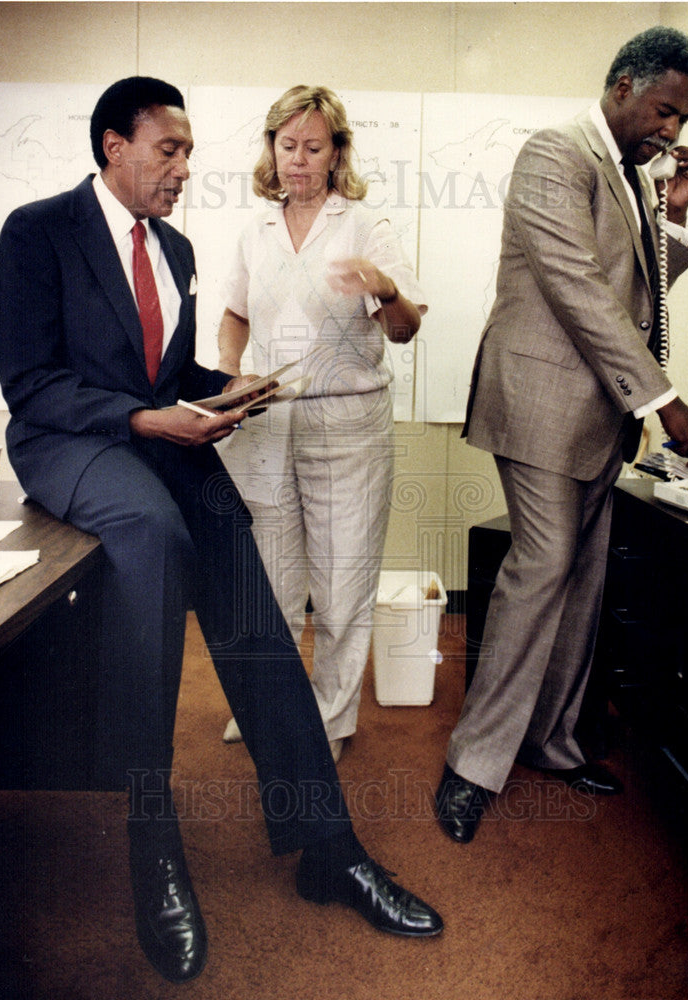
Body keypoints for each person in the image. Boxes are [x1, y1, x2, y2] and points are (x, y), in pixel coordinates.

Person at [0, 77, 442, 985]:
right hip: (68, 442)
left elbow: (162, 371)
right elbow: (31, 381)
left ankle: (327, 844)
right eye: (169, 151)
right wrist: (150, 421)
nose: (185, 170)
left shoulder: (180, 249)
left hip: (156, 435)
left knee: (246, 588)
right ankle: (151, 842)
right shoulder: (37, 231)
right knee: (156, 537)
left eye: (190, 152)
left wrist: (222, 390)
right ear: (114, 146)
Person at [435, 27, 688, 844]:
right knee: (541, 569)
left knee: (581, 578)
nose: (672, 132)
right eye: (666, 111)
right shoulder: (556, 152)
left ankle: (549, 740)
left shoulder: (634, 178)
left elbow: (637, 295)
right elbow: (577, 288)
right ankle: (471, 764)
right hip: (538, 401)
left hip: (596, 414)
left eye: (682, 119)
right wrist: (664, 403)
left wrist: (671, 218)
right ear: (623, 86)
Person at [217, 86, 425, 763]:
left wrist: (385, 287)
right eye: (287, 147)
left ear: (337, 154)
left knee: (341, 590)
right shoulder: (255, 230)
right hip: (268, 422)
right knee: (270, 588)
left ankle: (329, 723)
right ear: (270, 150)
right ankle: (268, 712)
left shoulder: (365, 226)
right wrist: (228, 370)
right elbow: (235, 313)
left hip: (348, 426)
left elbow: (403, 329)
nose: (298, 161)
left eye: (313, 148)